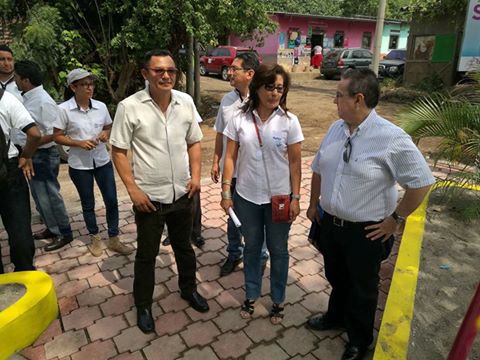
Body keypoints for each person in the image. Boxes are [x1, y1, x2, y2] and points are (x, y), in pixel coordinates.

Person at [305, 68, 435, 360]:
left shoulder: (390, 137)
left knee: (362, 289)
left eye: (339, 95)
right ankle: (335, 317)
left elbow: (422, 181)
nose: (334, 101)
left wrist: (395, 220)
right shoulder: (336, 128)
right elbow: (317, 167)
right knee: (336, 276)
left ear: (358, 99)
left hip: (366, 231)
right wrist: (315, 204)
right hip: (331, 223)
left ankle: (359, 340)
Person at [111, 49, 209, 334]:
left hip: (183, 194)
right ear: (145, 74)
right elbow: (118, 151)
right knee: (146, 255)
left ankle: (188, 289)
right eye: (159, 70)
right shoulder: (129, 107)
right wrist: (133, 190)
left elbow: (194, 142)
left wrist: (196, 177)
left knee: (184, 247)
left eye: (171, 71)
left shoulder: (186, 102)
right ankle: (143, 304)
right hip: (149, 199)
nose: (166, 75)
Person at [220, 63, 303, 324]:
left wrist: (296, 198)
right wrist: (225, 191)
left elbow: (295, 164)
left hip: (279, 200)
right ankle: (251, 294)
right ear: (257, 88)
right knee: (252, 248)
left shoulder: (290, 122)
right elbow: (230, 156)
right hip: (246, 197)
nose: (275, 93)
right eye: (270, 87)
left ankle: (277, 300)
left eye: (280, 88)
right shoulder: (239, 119)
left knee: (279, 251)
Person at [53, 68, 132, 257]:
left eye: (91, 84)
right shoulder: (63, 109)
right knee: (88, 203)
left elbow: (108, 126)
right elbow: (57, 136)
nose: (90, 88)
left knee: (111, 200)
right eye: (85, 84)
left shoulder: (101, 106)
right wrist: (78, 143)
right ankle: (94, 237)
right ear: (73, 87)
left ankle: (113, 238)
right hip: (79, 165)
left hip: (102, 161)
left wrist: (106, 133)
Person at [211, 52, 269, 277]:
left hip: (254, 172)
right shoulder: (227, 100)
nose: (230, 72)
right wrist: (216, 160)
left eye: (235, 68)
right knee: (232, 214)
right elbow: (219, 132)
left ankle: (261, 256)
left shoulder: (263, 100)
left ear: (250, 73)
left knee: (257, 217)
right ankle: (234, 253)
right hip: (231, 170)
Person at [14, 60, 74, 251]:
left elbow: (53, 134)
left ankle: (64, 232)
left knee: (50, 196)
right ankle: (52, 227)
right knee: (40, 197)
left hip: (42, 155)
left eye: (16, 78)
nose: (14, 81)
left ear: (25, 80)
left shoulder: (42, 101)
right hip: (32, 154)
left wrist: (29, 147)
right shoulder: (29, 97)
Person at [0, 88, 41, 273]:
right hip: (8, 168)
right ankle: (25, 271)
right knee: (19, 225)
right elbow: (34, 134)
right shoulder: (6, 98)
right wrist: (25, 156)